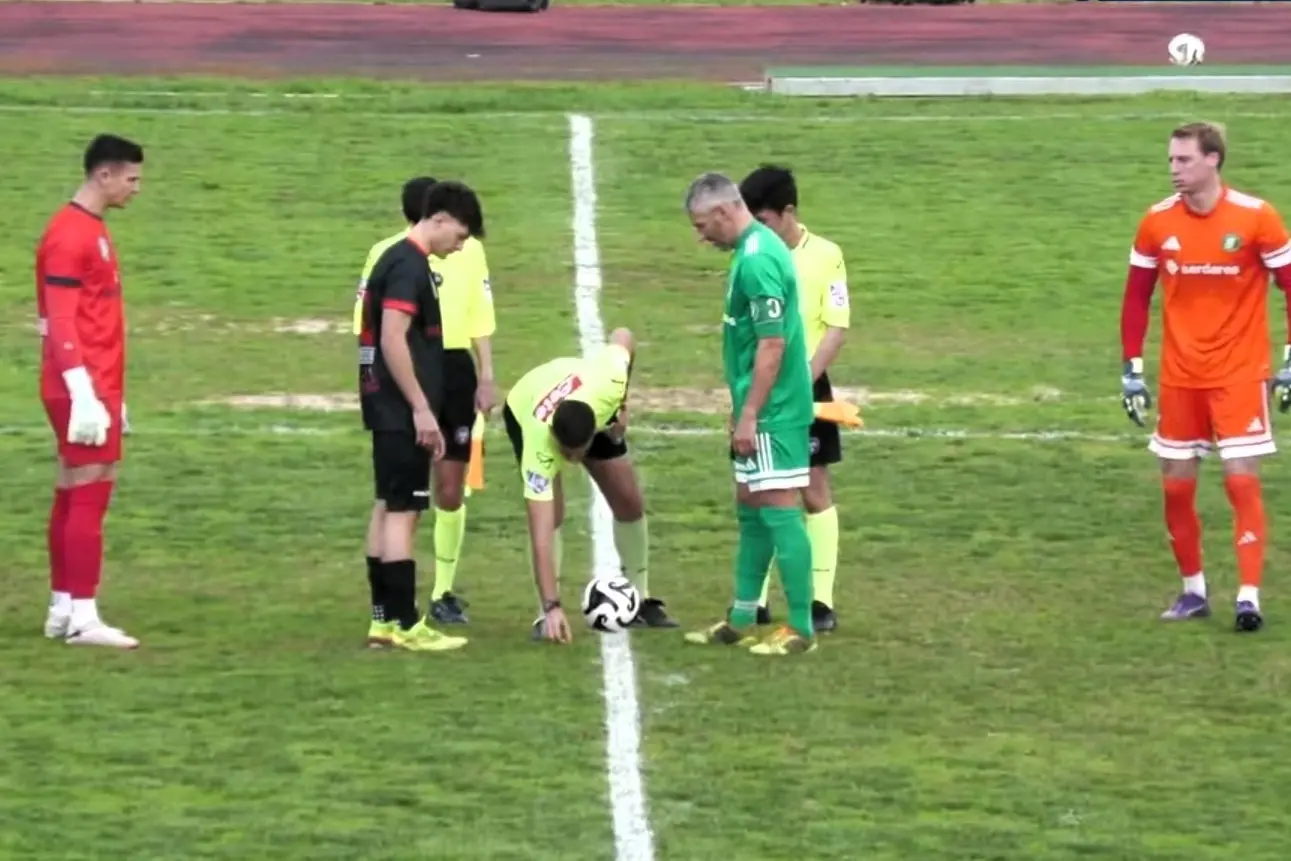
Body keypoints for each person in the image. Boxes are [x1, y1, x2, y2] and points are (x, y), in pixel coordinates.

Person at [1121, 121, 1291, 633]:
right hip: (1180, 377)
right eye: (1171, 160)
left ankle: (1248, 597)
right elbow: (1135, 297)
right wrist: (1132, 369)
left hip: (1239, 374)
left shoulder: (1256, 218)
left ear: (1213, 159)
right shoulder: (1155, 223)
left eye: (1184, 160)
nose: (1173, 168)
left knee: (1241, 479)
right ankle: (1194, 591)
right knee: (1175, 489)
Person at [354, 177, 496, 642]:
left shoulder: (399, 259)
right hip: (399, 409)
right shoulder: (408, 267)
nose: (458, 248)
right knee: (404, 512)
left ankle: (383, 621)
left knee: (386, 506)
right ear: (439, 220)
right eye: (458, 237)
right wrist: (420, 408)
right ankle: (406, 624)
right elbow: (393, 337)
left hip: (385, 407)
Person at [681, 172, 817, 656]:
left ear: (722, 212)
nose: (701, 236)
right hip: (760, 406)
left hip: (774, 411)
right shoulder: (751, 251)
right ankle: (741, 617)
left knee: (780, 509)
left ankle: (801, 627)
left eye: (702, 225)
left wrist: (751, 414)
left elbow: (772, 344)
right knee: (752, 505)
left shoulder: (758, 261)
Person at [500, 328, 677, 644]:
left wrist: (622, 406)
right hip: (524, 402)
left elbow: (623, 336)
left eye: (576, 453)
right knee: (551, 516)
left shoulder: (609, 384)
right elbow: (539, 533)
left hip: (586, 399)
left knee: (629, 501)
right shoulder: (538, 445)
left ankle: (638, 598)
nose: (571, 460)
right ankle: (545, 613)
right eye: (565, 453)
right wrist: (553, 607)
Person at [38, 134, 144, 650]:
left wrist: (111, 394)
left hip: (93, 385)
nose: (136, 189)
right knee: (90, 489)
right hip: (80, 386)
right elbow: (60, 320)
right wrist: (83, 392)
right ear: (104, 175)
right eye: (132, 178)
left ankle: (62, 607)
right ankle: (84, 614)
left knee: (71, 487)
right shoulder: (70, 235)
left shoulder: (88, 229)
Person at [739, 165, 849, 633]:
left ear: (788, 213)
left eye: (763, 219)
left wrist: (804, 380)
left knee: (813, 490)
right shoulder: (750, 255)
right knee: (757, 489)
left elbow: (836, 324)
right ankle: (756, 599)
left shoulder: (826, 254)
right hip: (759, 384)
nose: (756, 229)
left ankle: (820, 601)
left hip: (806, 385)